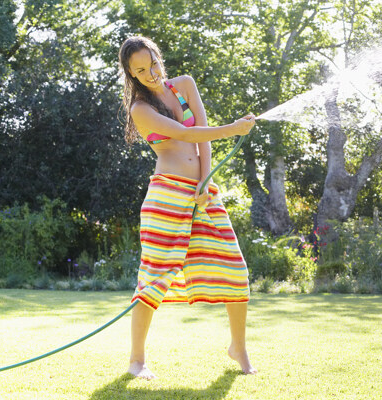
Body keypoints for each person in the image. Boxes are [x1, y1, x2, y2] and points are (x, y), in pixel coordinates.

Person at [118, 36, 257, 379]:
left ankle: (237, 347)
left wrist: (204, 180)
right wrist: (234, 129)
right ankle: (137, 361)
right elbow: (183, 134)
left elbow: (204, 136)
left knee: (235, 270)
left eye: (152, 63)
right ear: (132, 75)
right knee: (152, 280)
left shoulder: (184, 85)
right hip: (166, 195)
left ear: (157, 55)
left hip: (203, 193)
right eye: (140, 70)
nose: (150, 73)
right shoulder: (140, 109)